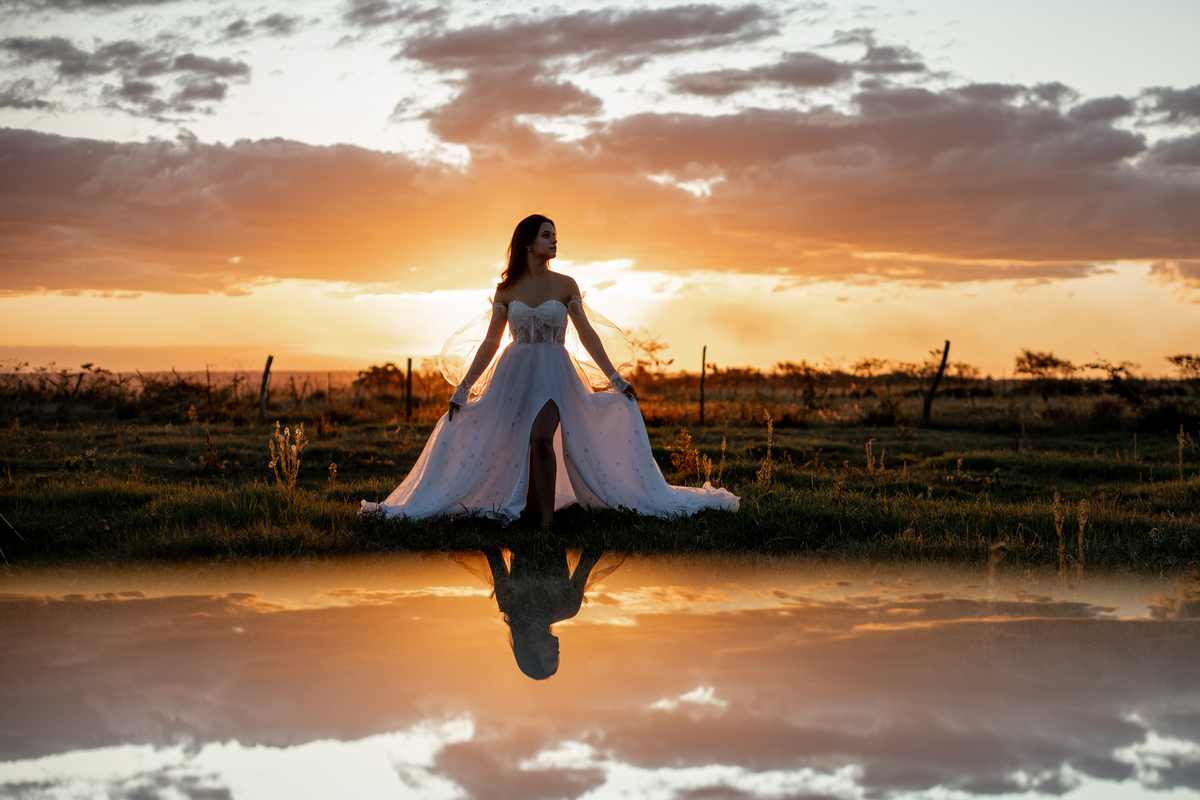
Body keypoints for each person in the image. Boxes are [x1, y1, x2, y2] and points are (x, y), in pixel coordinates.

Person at [361, 213, 738, 524]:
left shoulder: (565, 284)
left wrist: (615, 378)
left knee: (541, 436)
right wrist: (464, 387)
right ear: (528, 242)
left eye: (555, 235)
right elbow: (492, 343)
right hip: (514, 372)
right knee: (512, 442)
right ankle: (527, 509)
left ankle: (546, 525)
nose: (554, 241)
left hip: (556, 371)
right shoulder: (507, 290)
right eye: (547, 235)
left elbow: (587, 334)